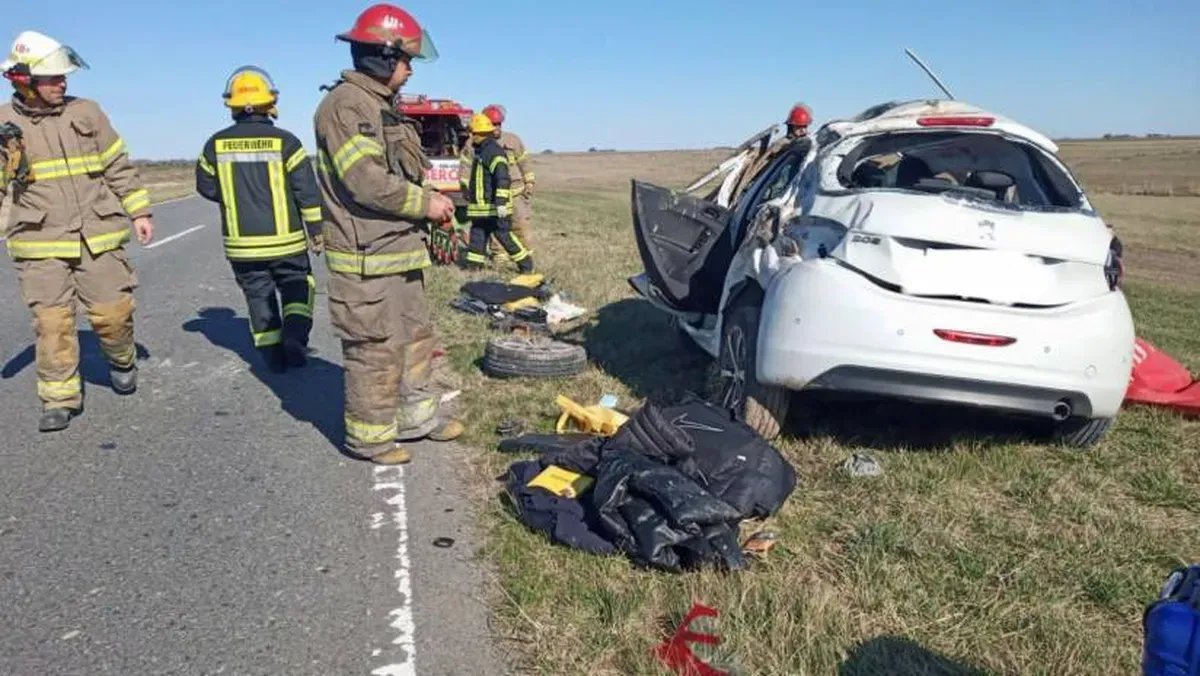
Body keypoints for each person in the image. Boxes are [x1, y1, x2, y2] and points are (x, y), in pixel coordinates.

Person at [313, 3, 463, 465]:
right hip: (365, 258)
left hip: (399, 253)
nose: (410, 70)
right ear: (382, 55)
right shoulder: (345, 106)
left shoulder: (382, 107)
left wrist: (430, 207)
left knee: (415, 338)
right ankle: (370, 438)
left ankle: (416, 420)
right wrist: (427, 203)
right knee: (375, 350)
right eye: (407, 60)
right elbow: (366, 181)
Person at [0, 30, 155, 432]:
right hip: (38, 242)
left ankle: (121, 358)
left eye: (63, 76)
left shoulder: (87, 113)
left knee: (113, 314)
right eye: (52, 77)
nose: (62, 82)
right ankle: (59, 397)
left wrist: (138, 210)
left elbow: (117, 164)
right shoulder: (3, 124)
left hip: (96, 234)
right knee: (52, 323)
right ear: (24, 81)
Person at [195, 66, 324, 373]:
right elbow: (306, 191)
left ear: (232, 105)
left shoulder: (215, 144)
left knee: (257, 297)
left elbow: (206, 186)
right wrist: (316, 230)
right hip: (287, 243)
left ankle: (273, 359)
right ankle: (294, 336)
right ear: (270, 104)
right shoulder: (287, 143)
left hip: (242, 247)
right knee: (297, 287)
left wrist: (235, 198)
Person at [458, 104, 536, 260]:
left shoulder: (513, 140)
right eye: (493, 124)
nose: (496, 127)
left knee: (520, 224)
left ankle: (526, 254)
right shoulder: (472, 144)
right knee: (496, 227)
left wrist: (529, 182)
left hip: (515, 192)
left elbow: (524, 162)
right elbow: (466, 166)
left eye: (498, 124)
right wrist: (466, 187)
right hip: (490, 195)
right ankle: (499, 256)